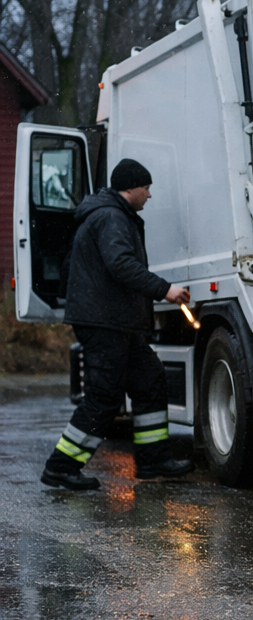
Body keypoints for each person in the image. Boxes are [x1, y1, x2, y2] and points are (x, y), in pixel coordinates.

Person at [41, 158, 195, 490]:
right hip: (105, 323)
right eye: (146, 188)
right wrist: (163, 290)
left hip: (117, 323)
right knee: (103, 398)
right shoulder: (111, 217)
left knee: (150, 381)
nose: (149, 195)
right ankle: (61, 466)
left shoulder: (111, 215)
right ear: (131, 187)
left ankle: (153, 461)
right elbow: (120, 264)